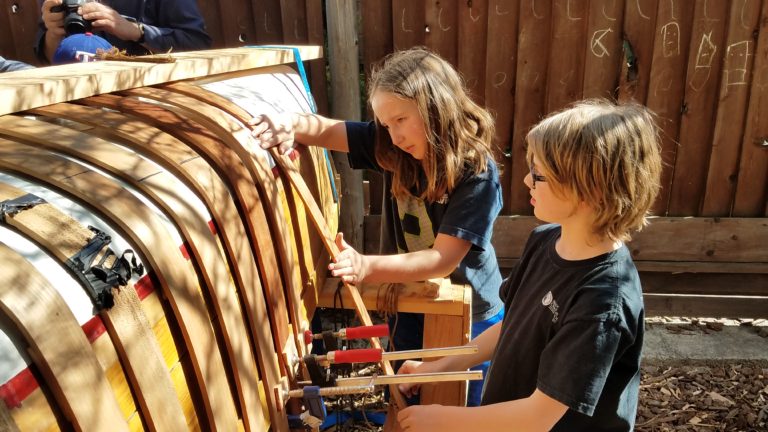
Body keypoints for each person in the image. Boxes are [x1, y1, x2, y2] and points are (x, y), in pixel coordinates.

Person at [249, 47, 505, 407]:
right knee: (406, 391)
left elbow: (442, 260)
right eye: (385, 124)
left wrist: (366, 266)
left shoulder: (477, 173)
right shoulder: (391, 146)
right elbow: (323, 129)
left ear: (436, 108)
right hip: (410, 299)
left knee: (459, 405)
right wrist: (290, 123)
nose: (394, 135)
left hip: (471, 312)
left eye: (400, 120)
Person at [395, 99, 663, 431]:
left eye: (539, 174)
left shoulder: (603, 301)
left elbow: (538, 417)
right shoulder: (545, 239)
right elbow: (511, 324)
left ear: (588, 190)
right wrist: (437, 366)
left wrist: (443, 420)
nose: (525, 181)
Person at [35, 0, 211, 64]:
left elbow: (197, 44)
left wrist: (136, 32)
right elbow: (50, 59)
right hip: (80, 103)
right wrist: (54, 33)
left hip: (150, 96)